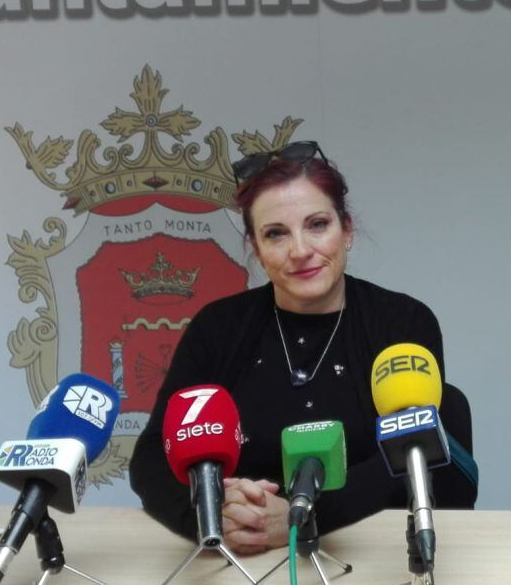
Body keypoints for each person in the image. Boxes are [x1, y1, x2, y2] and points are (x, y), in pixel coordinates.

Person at [131, 141, 477, 554]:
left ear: (346, 231)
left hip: (369, 554)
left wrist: (305, 518)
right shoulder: (217, 328)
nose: (300, 250)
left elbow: (412, 457)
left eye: (317, 224)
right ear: (256, 249)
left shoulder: (402, 321)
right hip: (241, 559)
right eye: (276, 234)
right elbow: (151, 457)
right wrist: (212, 519)